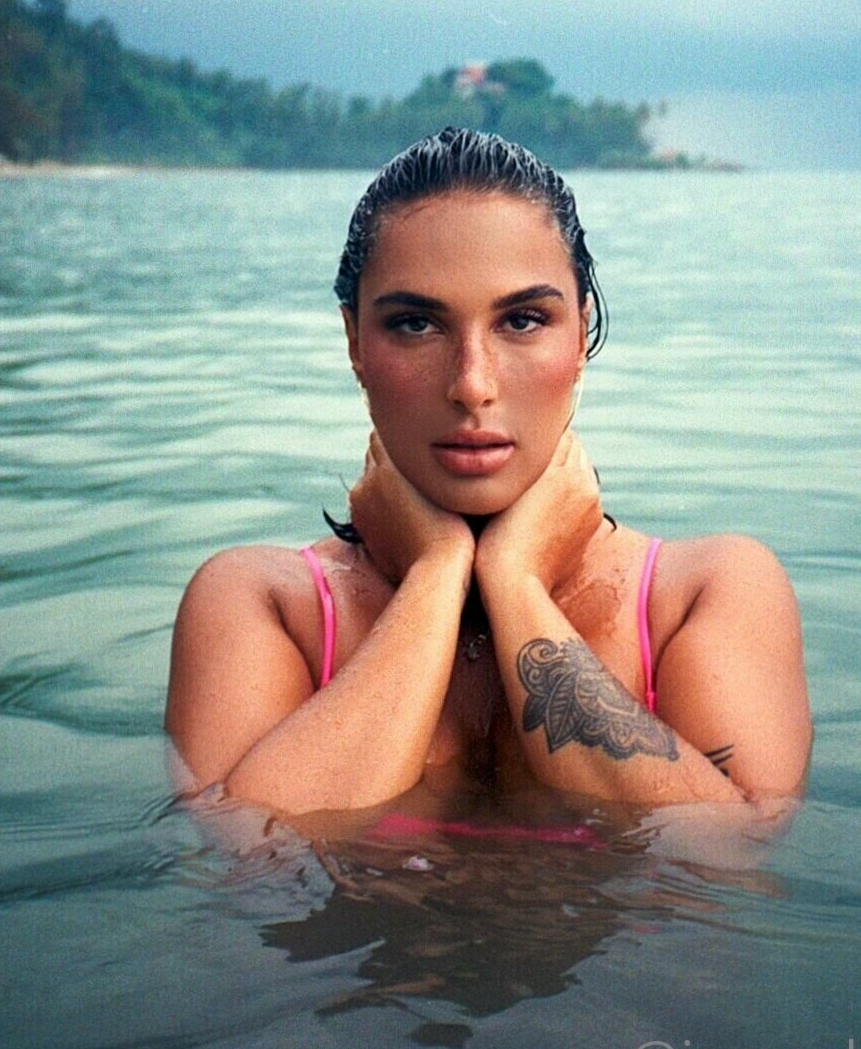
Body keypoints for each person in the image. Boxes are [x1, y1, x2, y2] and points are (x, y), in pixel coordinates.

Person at [165, 127, 811, 821]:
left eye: (523, 320)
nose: (472, 385)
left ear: (581, 333)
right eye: (416, 324)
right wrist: (437, 572)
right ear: (354, 342)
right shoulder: (264, 606)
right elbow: (249, 853)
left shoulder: (701, 596)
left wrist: (515, 581)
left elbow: (727, 855)